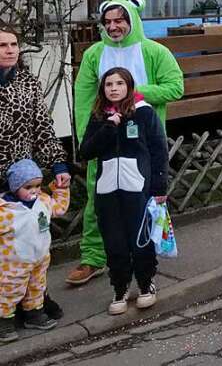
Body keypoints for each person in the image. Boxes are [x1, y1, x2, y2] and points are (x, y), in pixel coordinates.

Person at [67, 0, 182, 287]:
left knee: (143, 199)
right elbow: (83, 97)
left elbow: (175, 86)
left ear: (132, 19)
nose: (114, 26)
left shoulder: (155, 52)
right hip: (105, 140)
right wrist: (86, 137)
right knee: (98, 200)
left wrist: (139, 94)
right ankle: (93, 257)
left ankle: (146, 257)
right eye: (108, 22)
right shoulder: (94, 54)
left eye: (120, 20)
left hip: (142, 142)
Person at [78, 68, 168, 315]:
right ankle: (120, 287)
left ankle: (146, 283)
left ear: (129, 86)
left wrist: (160, 186)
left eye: (119, 83)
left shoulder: (144, 113)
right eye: (108, 84)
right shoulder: (99, 117)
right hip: (107, 190)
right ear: (103, 89)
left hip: (137, 187)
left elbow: (158, 150)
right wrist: (109, 126)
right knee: (114, 241)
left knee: (140, 239)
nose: (114, 88)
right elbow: (85, 151)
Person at [0, 26, 70, 321]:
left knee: (30, 243)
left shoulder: (28, 82)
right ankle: (7, 307)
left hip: (22, 176)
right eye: (2, 45)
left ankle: (35, 299)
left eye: (14, 43)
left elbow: (42, 127)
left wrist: (58, 164)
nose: (10, 49)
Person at [0, 159, 70, 342]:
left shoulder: (44, 200)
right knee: (9, 290)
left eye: (38, 185)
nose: (35, 190)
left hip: (40, 258)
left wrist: (60, 189)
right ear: (15, 187)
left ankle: (34, 314)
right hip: (13, 263)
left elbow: (59, 208)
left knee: (37, 287)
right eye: (28, 187)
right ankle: (4, 321)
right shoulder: (5, 210)